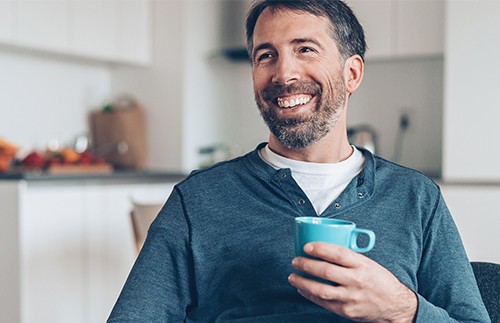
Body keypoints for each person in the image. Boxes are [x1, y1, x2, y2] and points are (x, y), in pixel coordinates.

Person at [108, 0, 490, 322]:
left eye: (305, 49)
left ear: (352, 73)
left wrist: (402, 309)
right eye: (265, 56)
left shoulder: (417, 198)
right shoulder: (198, 200)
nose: (284, 74)